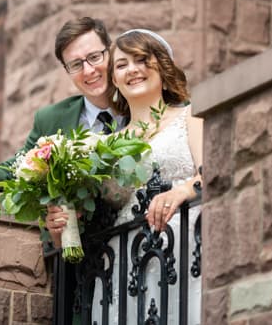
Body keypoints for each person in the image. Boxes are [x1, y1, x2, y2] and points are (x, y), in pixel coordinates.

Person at [0, 17, 126, 243]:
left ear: (110, 53)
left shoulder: (142, 100)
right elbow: (17, 168)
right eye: (76, 65)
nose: (88, 70)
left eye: (94, 57)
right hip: (86, 259)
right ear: (67, 70)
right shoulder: (52, 119)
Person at [80, 29, 203, 324]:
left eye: (141, 60)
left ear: (162, 65)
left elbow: (213, 172)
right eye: (121, 65)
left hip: (183, 245)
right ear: (114, 80)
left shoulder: (191, 116)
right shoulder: (105, 146)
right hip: (124, 259)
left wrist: (183, 191)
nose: (132, 70)